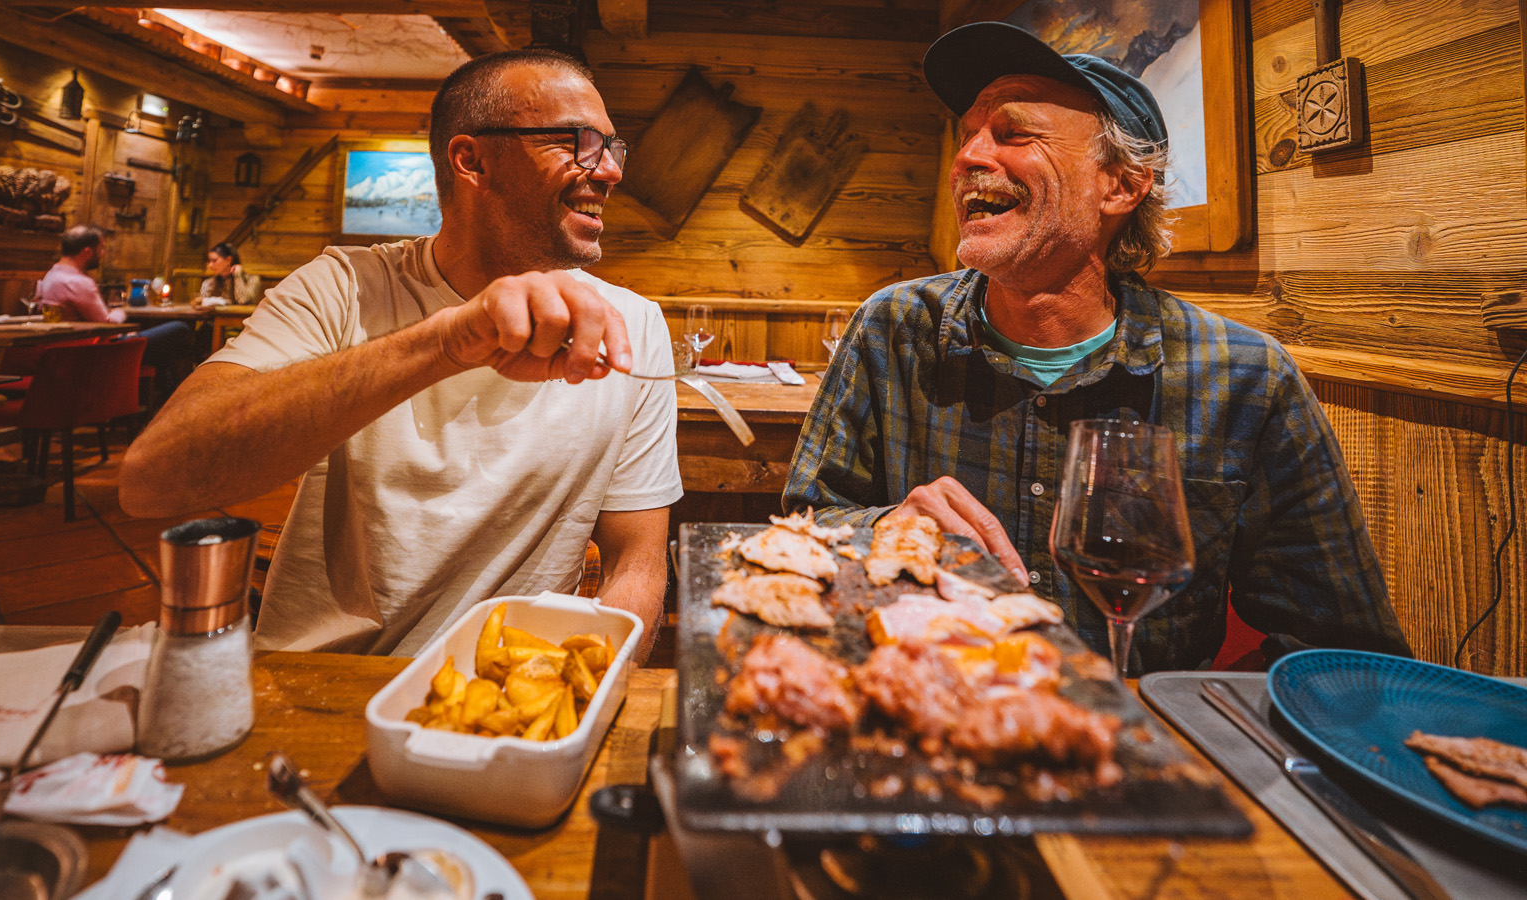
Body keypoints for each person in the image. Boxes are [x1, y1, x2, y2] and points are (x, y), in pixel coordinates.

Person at [783, 22, 1411, 674]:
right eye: (967, 133)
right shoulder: (893, 329)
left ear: (1120, 185)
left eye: (1012, 132)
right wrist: (886, 522)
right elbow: (804, 524)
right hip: (928, 716)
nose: (968, 155)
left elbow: (1341, 651)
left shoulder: (1246, 379)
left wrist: (1177, 732)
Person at [118, 49, 682, 660]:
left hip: (511, 697)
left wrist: (595, 683)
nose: (609, 172)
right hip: (322, 680)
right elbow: (153, 482)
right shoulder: (341, 286)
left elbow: (638, 560)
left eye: (612, 147)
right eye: (576, 141)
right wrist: (447, 341)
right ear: (472, 160)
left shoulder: (633, 324)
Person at [38, 224, 195, 399]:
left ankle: (165, 401)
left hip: (67, 352)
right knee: (180, 329)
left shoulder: (51, 275)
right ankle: (173, 400)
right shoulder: (78, 282)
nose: (103, 253)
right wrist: (120, 311)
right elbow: (108, 323)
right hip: (97, 353)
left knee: (164, 352)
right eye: (102, 248)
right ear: (87, 252)